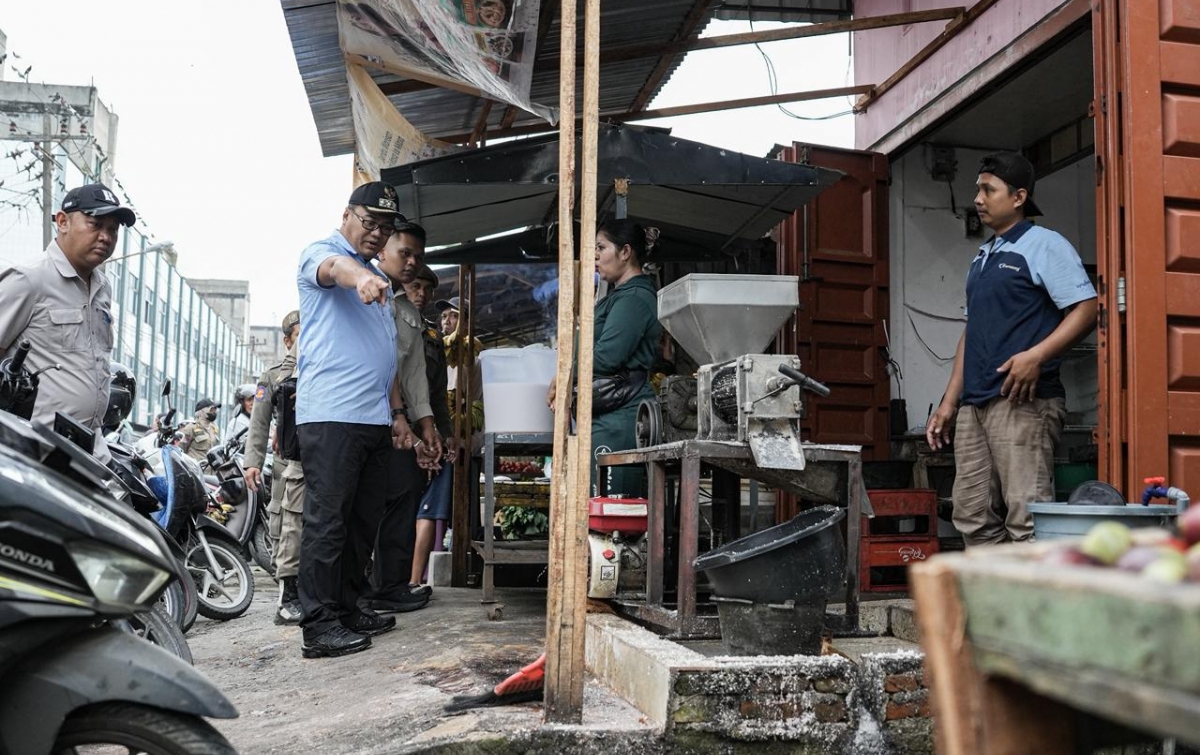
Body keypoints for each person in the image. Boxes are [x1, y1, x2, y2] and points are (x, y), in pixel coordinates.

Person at [926, 152, 1097, 546]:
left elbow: (1086, 308)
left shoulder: (1044, 245)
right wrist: (950, 403)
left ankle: (1035, 606)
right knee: (970, 514)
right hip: (976, 404)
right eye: (978, 190)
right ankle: (995, 605)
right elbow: (972, 332)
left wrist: (1036, 356)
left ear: (1019, 197)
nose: (979, 199)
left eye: (989, 189)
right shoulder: (983, 256)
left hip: (1024, 403)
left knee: (1027, 518)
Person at [294, 181, 428, 659]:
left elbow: (384, 356)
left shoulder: (380, 278)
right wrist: (362, 278)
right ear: (347, 215)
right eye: (370, 223)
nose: (376, 233)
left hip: (372, 418)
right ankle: (318, 623)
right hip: (330, 414)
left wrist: (396, 413)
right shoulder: (324, 254)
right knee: (327, 523)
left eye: (385, 227)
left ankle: (349, 607)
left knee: (361, 523)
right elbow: (336, 269)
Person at [0, 183, 136, 457]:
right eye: (95, 224)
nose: (105, 237)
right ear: (63, 221)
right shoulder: (28, 280)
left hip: (90, 448)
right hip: (35, 449)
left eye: (112, 229)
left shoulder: (102, 289)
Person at [547, 219, 663, 496]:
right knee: (596, 510)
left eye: (601, 247)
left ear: (625, 252)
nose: (595, 255)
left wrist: (563, 377)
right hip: (605, 414)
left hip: (621, 417)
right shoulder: (617, 296)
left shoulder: (634, 298)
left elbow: (607, 356)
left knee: (613, 512)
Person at [367, 221, 443, 612]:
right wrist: (399, 415)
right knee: (361, 508)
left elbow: (412, 375)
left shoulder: (406, 310)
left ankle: (390, 586)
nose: (412, 263)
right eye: (405, 253)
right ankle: (355, 594)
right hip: (364, 416)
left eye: (418, 256)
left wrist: (426, 425)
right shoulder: (367, 291)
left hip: (398, 422)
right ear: (383, 249)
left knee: (403, 495)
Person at [243, 310, 304, 625]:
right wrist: (252, 462)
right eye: (299, 333)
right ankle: (286, 596)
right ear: (287, 340)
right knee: (283, 526)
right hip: (285, 465)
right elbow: (259, 421)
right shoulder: (272, 375)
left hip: (316, 459)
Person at [407, 265, 455, 593]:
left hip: (423, 434)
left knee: (413, 505)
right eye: (415, 286)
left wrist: (446, 433)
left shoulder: (432, 338)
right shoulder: (383, 321)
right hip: (388, 428)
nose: (421, 294)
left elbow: (437, 396)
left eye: (428, 288)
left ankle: (404, 582)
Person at [181, 397, 221, 463]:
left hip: (211, 471)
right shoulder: (191, 428)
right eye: (212, 409)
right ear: (201, 412)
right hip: (196, 470)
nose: (215, 412)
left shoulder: (214, 429)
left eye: (215, 409)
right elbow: (181, 450)